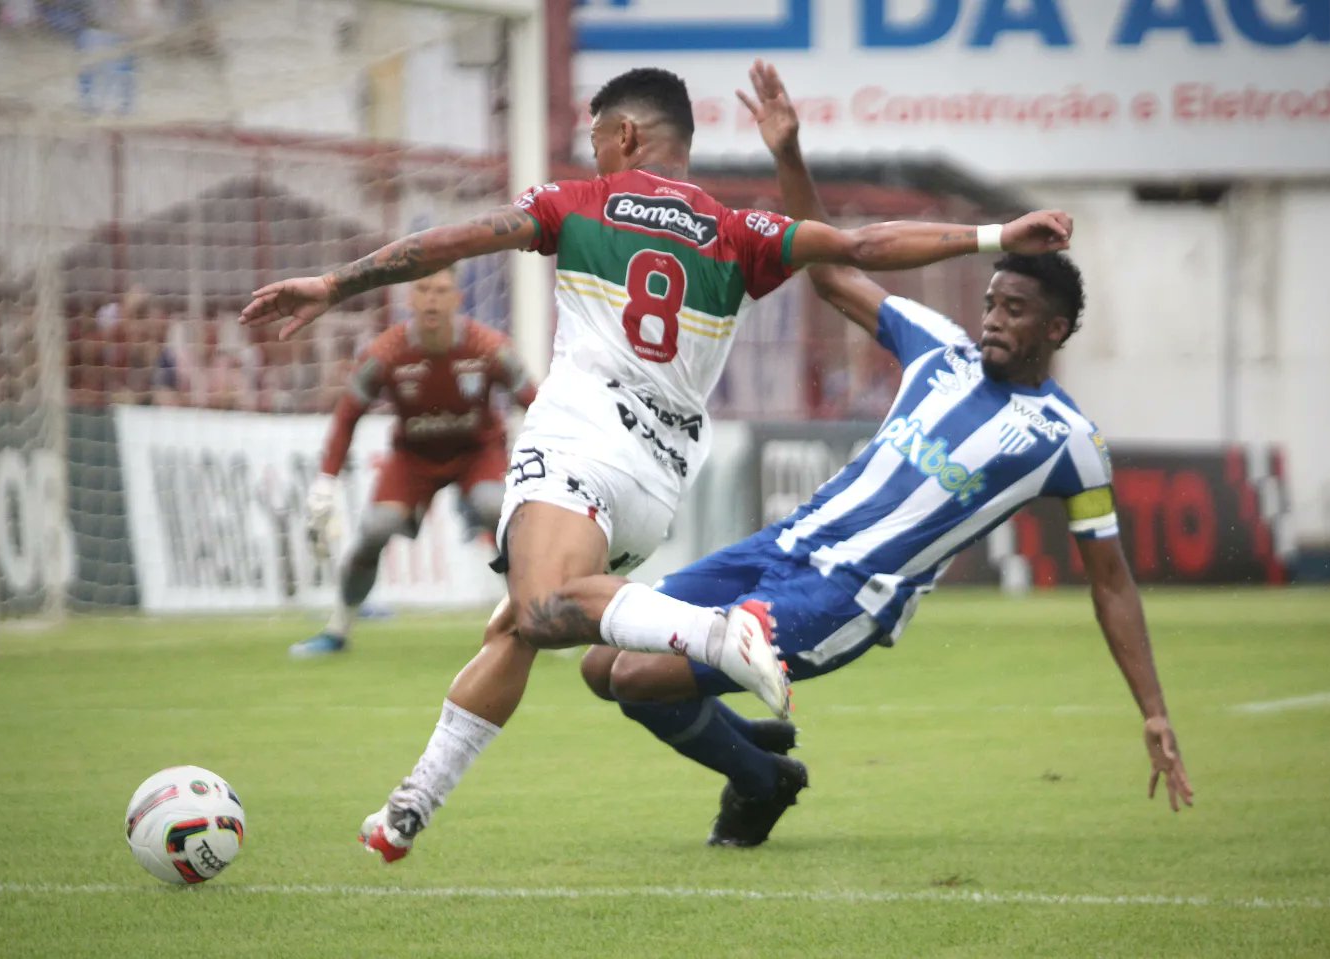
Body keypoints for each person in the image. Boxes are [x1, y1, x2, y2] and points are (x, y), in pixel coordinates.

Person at [239, 67, 1073, 862]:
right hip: (654, 483)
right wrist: (995, 235)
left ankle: (719, 634)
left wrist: (335, 284)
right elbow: (861, 243)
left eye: (597, 140)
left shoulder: (578, 202)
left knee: (543, 606)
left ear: (628, 135)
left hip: (580, 442)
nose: (594, 155)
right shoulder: (740, 230)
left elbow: (450, 241)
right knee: (522, 624)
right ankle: (411, 805)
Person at [556, 61, 1194, 847]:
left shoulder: (1069, 442)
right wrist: (789, 154)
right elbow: (828, 271)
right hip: (782, 546)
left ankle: (758, 779)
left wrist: (1154, 711)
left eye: (1015, 310)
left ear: (1055, 330)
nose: (993, 319)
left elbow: (1113, 583)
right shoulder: (937, 346)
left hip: (847, 597)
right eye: (991, 302)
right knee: (601, 662)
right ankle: (754, 752)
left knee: (640, 676)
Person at [289, 267, 537, 658]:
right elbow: (347, 415)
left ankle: (535, 620)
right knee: (375, 530)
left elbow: (536, 403)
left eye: (441, 290)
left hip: (477, 452)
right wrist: (325, 481)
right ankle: (337, 630)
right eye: (423, 289)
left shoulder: (489, 348)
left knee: (496, 509)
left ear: (458, 298)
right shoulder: (385, 354)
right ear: (411, 299)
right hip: (414, 457)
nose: (432, 299)